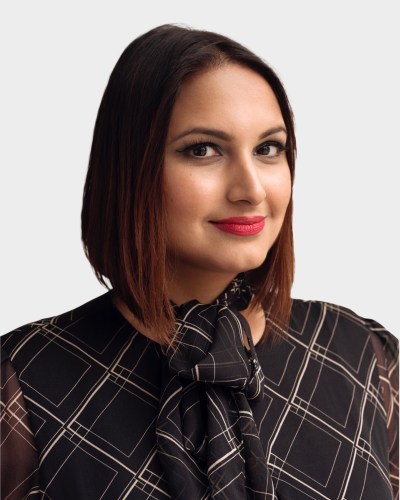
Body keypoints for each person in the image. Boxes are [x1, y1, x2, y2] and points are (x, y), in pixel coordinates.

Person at [1, 24, 398, 500]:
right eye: (203, 150)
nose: (251, 189)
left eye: (268, 148)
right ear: (130, 168)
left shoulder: (366, 357)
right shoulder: (24, 382)